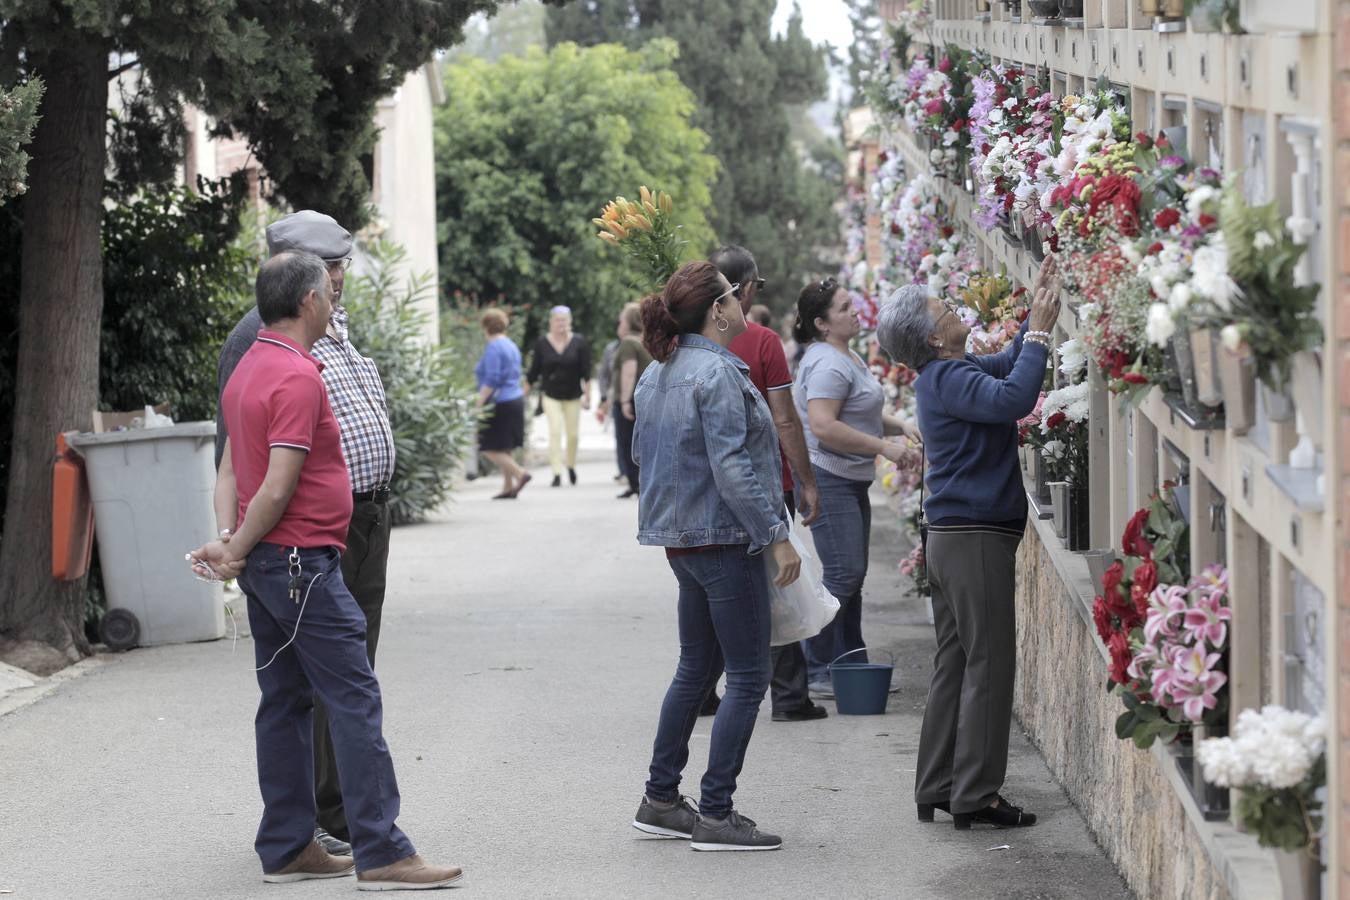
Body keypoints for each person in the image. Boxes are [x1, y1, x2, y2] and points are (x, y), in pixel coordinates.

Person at [191, 252, 461, 889]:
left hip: (269, 563)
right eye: (328, 286)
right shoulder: (297, 375)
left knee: (284, 701)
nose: (334, 295)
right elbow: (278, 485)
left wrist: (232, 541)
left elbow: (230, 472)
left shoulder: (247, 369)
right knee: (354, 696)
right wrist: (236, 546)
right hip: (299, 562)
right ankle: (382, 849)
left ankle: (288, 847)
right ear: (309, 301)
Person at [214, 210, 396, 857]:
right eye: (331, 267)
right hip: (301, 544)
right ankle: (360, 836)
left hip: (349, 523)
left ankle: (308, 834)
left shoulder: (319, 327)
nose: (340, 278)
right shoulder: (269, 342)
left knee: (320, 683)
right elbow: (243, 457)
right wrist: (234, 544)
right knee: (337, 686)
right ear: (296, 278)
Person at [875, 256, 1061, 830]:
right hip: (974, 535)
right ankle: (976, 793)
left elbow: (1005, 369)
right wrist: (1042, 335)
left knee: (955, 661)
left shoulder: (950, 374)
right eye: (944, 309)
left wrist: (1035, 320)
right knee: (989, 661)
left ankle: (936, 783)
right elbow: (1013, 400)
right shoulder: (950, 378)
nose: (955, 309)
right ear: (933, 336)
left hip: (954, 537)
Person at [629, 261, 801, 852]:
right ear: (717, 310)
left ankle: (660, 800)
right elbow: (733, 467)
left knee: (696, 669)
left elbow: (641, 456)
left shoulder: (657, 374)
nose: (740, 302)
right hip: (723, 541)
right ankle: (717, 814)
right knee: (749, 676)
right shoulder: (718, 374)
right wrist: (775, 532)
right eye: (732, 295)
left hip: (681, 542)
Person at [710, 245, 827, 724]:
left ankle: (701, 687)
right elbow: (784, 418)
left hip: (710, 488)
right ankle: (789, 695)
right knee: (781, 583)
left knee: (716, 585)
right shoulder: (761, 342)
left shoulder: (683, 344)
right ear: (747, 289)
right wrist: (806, 480)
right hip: (764, 482)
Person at [792, 277, 920, 697]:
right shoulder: (828, 363)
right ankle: (816, 667)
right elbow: (825, 425)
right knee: (845, 573)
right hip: (830, 477)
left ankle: (848, 664)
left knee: (851, 574)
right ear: (822, 323)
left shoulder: (842, 356)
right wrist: (887, 448)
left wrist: (898, 425)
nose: (855, 311)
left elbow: (857, 413)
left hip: (848, 478)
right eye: (845, 308)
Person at [526, 305, 592, 487]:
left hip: (573, 395)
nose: (560, 323)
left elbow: (586, 372)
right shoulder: (542, 343)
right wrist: (524, 391)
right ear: (551, 322)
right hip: (550, 395)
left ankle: (570, 465)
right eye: (557, 320)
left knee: (573, 435)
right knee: (554, 431)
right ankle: (556, 472)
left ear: (569, 322)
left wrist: (588, 396)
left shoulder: (579, 342)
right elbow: (533, 372)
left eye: (564, 320)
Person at [474, 308, 531, 500]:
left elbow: (491, 379)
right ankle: (508, 487)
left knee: (488, 447)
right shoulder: (511, 345)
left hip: (501, 402)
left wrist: (478, 405)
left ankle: (520, 474)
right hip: (515, 398)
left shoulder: (494, 347)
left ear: (486, 327)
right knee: (505, 446)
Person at [611, 301, 653, 499]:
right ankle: (637, 484)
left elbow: (629, 372)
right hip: (646, 399)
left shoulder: (629, 342)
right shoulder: (645, 340)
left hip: (631, 400)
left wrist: (625, 401)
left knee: (627, 442)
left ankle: (635, 484)